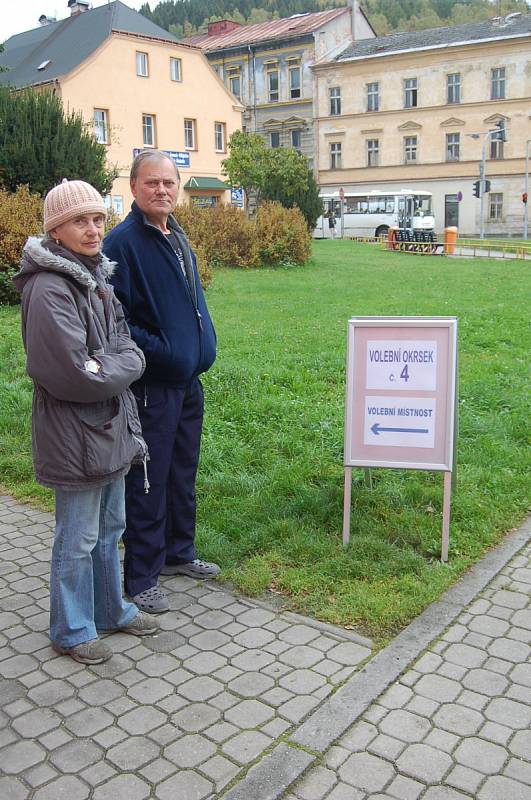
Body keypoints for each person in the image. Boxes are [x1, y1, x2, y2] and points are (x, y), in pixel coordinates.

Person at [13, 179, 159, 664]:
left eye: (98, 219)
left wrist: (113, 363)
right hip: (73, 434)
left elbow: (126, 346)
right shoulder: (48, 287)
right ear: (56, 231)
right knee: (76, 538)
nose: (94, 229)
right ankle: (71, 629)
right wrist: (118, 364)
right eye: (80, 220)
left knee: (111, 526)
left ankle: (111, 608)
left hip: (111, 427)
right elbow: (74, 374)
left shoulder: (96, 277)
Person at [104, 150, 219, 614]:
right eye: (152, 183)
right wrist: (165, 352)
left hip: (188, 383)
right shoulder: (123, 242)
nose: (162, 190)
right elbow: (118, 320)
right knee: (148, 480)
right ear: (133, 187)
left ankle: (178, 553)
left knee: (181, 472)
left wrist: (199, 343)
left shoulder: (176, 236)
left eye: (169, 183)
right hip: (153, 385)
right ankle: (142, 575)